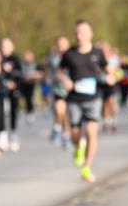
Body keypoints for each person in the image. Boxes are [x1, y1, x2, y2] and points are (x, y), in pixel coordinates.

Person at [58, 19, 111, 183]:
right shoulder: (69, 54)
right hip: (74, 99)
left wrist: (111, 76)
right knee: (75, 132)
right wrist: (65, 80)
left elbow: (108, 69)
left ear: (90, 34)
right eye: (77, 33)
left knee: (91, 133)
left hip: (94, 98)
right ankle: (78, 146)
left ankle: (86, 167)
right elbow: (60, 72)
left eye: (83, 32)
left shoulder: (98, 53)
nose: (79, 36)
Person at [45, 36, 72, 150]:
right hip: (58, 89)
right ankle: (56, 127)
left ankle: (66, 136)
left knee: (67, 115)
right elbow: (49, 71)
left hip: (71, 90)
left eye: (64, 44)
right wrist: (49, 78)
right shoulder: (54, 58)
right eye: (60, 44)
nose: (62, 46)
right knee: (59, 110)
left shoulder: (73, 56)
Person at [0, 37, 22, 152]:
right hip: (2, 91)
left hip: (13, 91)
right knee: (2, 113)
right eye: (3, 46)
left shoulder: (15, 59)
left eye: (6, 46)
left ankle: (13, 133)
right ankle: (2, 135)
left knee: (13, 112)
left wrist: (14, 83)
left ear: (12, 47)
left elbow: (20, 74)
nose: (4, 48)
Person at [18, 50, 42, 124]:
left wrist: (33, 76)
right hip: (22, 84)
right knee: (21, 97)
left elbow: (41, 74)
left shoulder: (36, 65)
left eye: (29, 56)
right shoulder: (21, 65)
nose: (27, 58)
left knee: (29, 99)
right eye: (26, 56)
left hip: (31, 84)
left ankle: (30, 113)